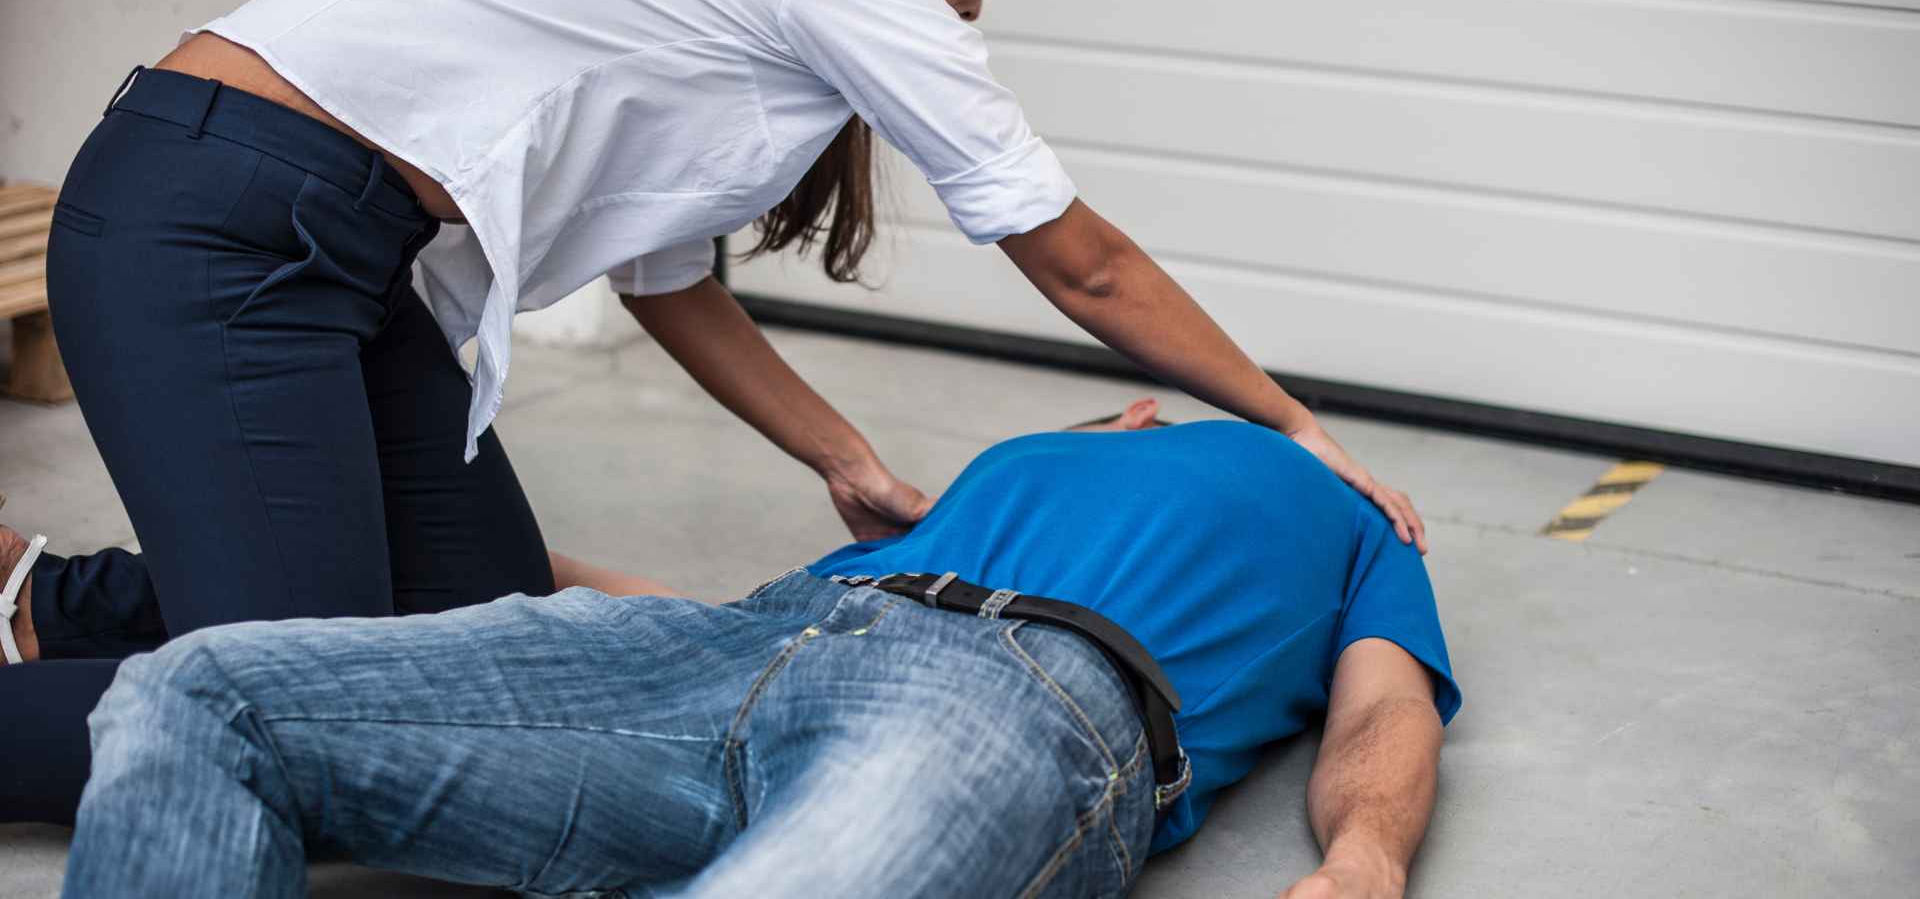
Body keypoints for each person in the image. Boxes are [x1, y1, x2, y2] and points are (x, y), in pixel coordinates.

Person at [9, 0, 1422, 824]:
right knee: (298, 715)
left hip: (339, 262)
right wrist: (1293, 421)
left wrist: (845, 459)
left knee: (489, 646)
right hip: (221, 227)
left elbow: (668, 279)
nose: (984, 5)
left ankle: (49, 601)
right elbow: (1083, 264)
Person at [61, 404, 1460, 898]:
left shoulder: (1352, 518)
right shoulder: (1041, 455)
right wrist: (515, 597)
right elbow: (757, 621)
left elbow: (1385, 708)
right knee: (200, 691)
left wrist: (1362, 863)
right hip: (737, 644)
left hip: (1022, 698)